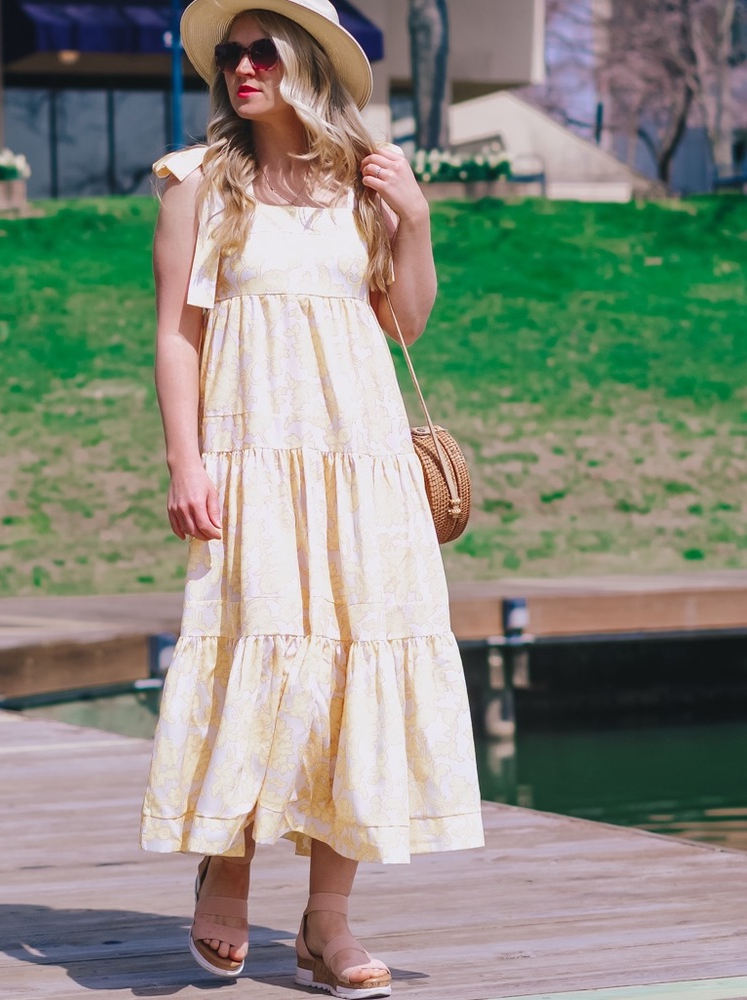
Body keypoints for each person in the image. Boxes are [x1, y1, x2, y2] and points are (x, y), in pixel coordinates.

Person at [140, 1, 484, 996]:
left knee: (350, 672)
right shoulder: (195, 184)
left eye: (262, 50)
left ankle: (327, 922)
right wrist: (185, 461)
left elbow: (403, 321)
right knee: (257, 652)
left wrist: (413, 218)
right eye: (230, 55)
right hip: (251, 463)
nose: (241, 67)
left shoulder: (363, 181)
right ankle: (227, 867)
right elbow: (176, 335)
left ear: (305, 62)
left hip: (362, 466)